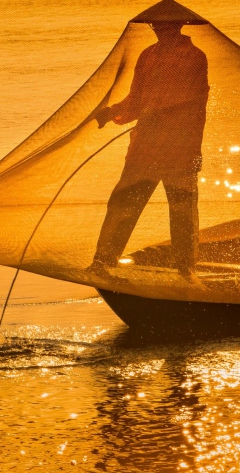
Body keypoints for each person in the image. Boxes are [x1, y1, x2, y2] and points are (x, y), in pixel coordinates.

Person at [86, 20, 210, 280]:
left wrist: (193, 147)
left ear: (177, 26)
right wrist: (112, 113)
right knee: (123, 204)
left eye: (163, 26)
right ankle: (103, 261)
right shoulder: (148, 55)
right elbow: (137, 98)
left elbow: (196, 104)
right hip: (146, 146)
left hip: (180, 146)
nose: (158, 29)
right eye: (156, 25)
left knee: (182, 210)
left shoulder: (194, 58)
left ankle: (186, 270)